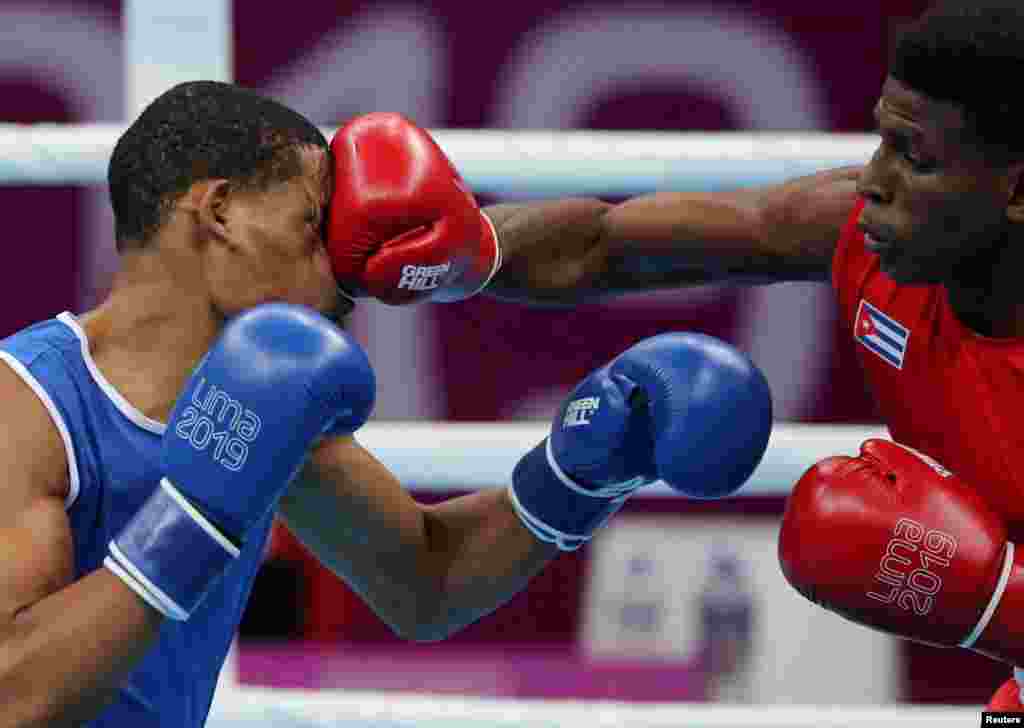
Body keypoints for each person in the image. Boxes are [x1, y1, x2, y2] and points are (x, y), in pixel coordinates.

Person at [0, 80, 772, 727]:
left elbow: (426, 580)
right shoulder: (28, 405)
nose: (343, 274)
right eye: (314, 223)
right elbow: (14, 693)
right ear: (222, 211)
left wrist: (578, 472)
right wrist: (189, 522)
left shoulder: (260, 409)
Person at [323, 0, 1024, 710]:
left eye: (916, 157)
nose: (875, 179)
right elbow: (607, 244)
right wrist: (468, 251)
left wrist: (999, 601)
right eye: (883, 141)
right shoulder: (859, 235)